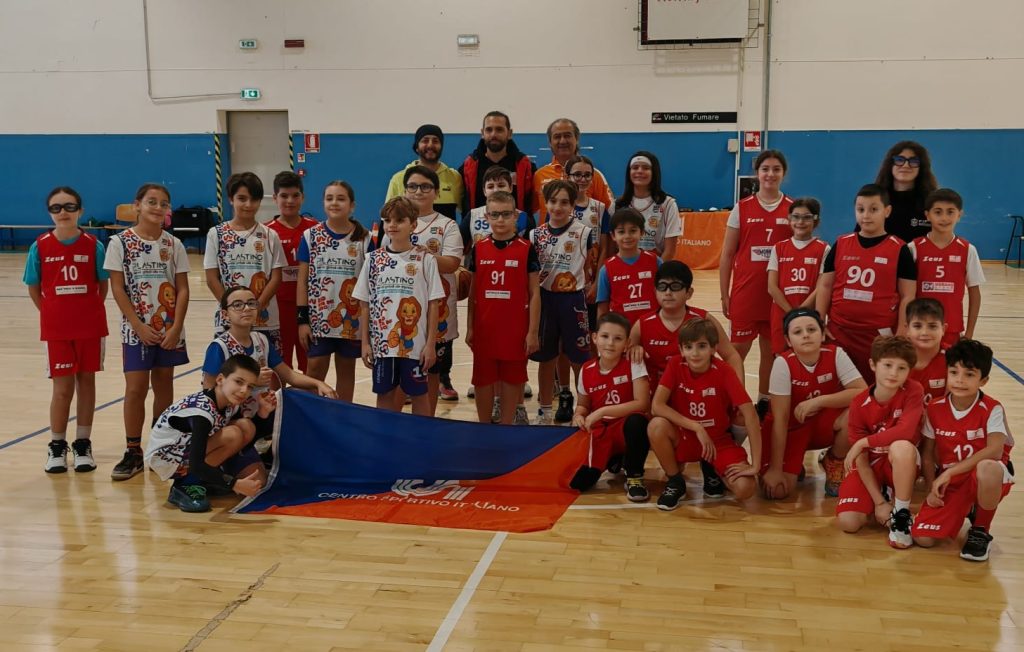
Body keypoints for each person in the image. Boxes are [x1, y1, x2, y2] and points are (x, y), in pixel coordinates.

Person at [630, 260, 744, 499]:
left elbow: (732, 355)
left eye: (675, 287)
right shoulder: (642, 325)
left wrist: (737, 393)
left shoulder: (702, 320)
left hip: (703, 397)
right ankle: (674, 475)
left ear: (689, 292)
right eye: (662, 287)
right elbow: (627, 357)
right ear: (655, 291)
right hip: (666, 404)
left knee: (742, 414)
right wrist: (633, 349)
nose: (668, 292)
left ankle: (712, 463)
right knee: (655, 429)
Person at [105, 183, 191, 481]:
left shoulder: (174, 245)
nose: (158, 207)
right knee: (135, 388)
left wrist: (176, 327)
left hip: (169, 329)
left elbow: (182, 289)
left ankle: (160, 445)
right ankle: (133, 451)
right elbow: (117, 288)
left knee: (164, 382)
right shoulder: (120, 243)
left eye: (163, 203)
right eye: (151, 202)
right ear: (137, 205)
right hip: (136, 330)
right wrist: (138, 325)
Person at [26, 187, 109, 474]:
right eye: (56, 207)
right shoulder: (39, 246)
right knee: (62, 389)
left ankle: (83, 444)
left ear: (80, 211)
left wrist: (88, 311)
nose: (63, 212)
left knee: (87, 384)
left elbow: (103, 285)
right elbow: (33, 287)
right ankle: (57, 445)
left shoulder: (93, 245)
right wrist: (52, 314)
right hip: (57, 330)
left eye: (70, 207)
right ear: (49, 212)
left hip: (90, 327)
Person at [912, 339, 1015, 562]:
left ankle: (980, 530)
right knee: (923, 538)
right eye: (954, 372)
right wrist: (931, 487)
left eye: (969, 374)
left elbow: (995, 451)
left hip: (986, 476)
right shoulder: (935, 408)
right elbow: (927, 454)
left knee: (987, 467)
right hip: (953, 482)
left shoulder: (992, 408)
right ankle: (967, 507)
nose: (959, 380)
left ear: (983, 380)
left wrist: (950, 471)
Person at [647, 319, 762, 510]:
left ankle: (712, 468)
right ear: (681, 350)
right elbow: (657, 406)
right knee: (656, 426)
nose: (695, 353)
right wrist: (696, 427)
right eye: (688, 347)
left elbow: (751, 415)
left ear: (713, 349)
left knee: (745, 488)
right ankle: (675, 481)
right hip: (685, 436)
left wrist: (755, 465)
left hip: (717, 440)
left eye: (701, 346)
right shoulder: (675, 364)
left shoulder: (724, 371)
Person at [815, 184, 916, 383]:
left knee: (875, 387)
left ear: (887, 211)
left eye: (873, 209)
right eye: (860, 209)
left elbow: (908, 295)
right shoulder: (841, 243)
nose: (866, 215)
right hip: (839, 332)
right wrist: (819, 320)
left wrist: (901, 331)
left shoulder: (900, 249)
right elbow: (825, 286)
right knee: (837, 386)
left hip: (878, 335)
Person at [761, 308, 866, 499]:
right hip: (790, 429)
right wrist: (776, 468)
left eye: (811, 329)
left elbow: (862, 392)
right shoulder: (782, 363)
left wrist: (819, 401)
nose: (806, 335)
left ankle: (835, 460)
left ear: (822, 334)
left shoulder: (835, 354)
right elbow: (780, 419)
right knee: (778, 491)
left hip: (821, 424)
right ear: (788, 340)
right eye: (798, 332)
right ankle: (792, 462)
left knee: (857, 411)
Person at [145, 354, 269, 513]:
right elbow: (196, 464)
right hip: (167, 458)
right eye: (238, 382)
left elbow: (247, 440)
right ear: (220, 379)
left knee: (246, 427)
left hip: (185, 450)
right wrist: (234, 484)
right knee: (233, 435)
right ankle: (184, 485)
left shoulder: (229, 403)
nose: (244, 390)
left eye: (250, 386)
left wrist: (262, 414)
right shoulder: (202, 414)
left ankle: (204, 479)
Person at [719, 150, 794, 414]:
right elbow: (727, 254)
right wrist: (724, 293)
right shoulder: (742, 208)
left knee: (771, 352)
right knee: (736, 351)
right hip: (746, 293)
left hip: (777, 295)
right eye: (765, 169)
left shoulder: (792, 209)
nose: (770, 174)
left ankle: (764, 402)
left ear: (783, 173)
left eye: (776, 169)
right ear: (757, 173)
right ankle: (733, 403)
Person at [355, 197, 445, 416]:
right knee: (384, 394)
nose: (392, 225)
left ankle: (420, 435)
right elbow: (364, 304)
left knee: (419, 395)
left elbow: (434, 304)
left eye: (399, 220)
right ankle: (385, 435)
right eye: (387, 220)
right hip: (382, 345)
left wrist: (430, 344)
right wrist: (365, 342)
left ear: (413, 224)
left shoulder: (425, 259)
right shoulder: (373, 260)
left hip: (415, 346)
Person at [836, 336, 923, 549]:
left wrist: (862, 442)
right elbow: (862, 460)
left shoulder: (914, 390)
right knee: (849, 523)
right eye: (887, 365)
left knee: (901, 446)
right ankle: (884, 497)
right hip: (870, 464)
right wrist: (879, 503)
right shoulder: (858, 403)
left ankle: (901, 513)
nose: (893, 373)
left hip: (900, 461)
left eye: (901, 368)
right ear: (873, 364)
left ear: (909, 371)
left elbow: (905, 431)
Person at [390, 165, 464, 408]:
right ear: (405, 190)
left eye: (425, 186)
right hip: (402, 310)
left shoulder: (447, 225)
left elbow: (452, 263)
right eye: (412, 186)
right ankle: (396, 421)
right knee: (401, 369)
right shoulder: (394, 224)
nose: (418, 191)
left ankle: (427, 422)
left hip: (438, 310)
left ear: (436, 192)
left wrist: (421, 255)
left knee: (432, 370)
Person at [465, 190, 540, 424]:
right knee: (483, 379)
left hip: (515, 329)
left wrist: (533, 332)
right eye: (495, 214)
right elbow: (473, 293)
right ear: (486, 216)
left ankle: (506, 426)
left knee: (512, 379)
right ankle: (484, 427)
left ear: (516, 215)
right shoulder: (479, 248)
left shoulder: (526, 248)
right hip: (485, 328)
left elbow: (535, 293)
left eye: (506, 214)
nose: (500, 219)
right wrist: (470, 327)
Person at [296, 180, 371, 403]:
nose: (334, 203)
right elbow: (302, 282)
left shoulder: (364, 239)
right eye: (329, 198)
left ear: (352, 205)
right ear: (323, 203)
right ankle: (312, 416)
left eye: (341, 198)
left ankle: (342, 416)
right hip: (319, 320)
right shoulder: (310, 236)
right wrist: (302, 320)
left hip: (351, 320)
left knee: (346, 371)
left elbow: (370, 284)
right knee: (314, 370)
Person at [530, 180, 596, 425]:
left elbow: (588, 265)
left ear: (573, 205)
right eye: (553, 201)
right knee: (546, 358)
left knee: (579, 358)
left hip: (573, 300)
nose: (558, 207)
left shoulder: (584, 232)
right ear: (545, 203)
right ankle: (545, 411)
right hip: (545, 301)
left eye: (564, 202)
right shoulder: (535, 235)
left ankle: (583, 409)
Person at [202, 286, 336, 404]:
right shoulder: (219, 347)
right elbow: (208, 392)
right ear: (225, 315)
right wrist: (251, 381)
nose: (246, 308)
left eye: (251, 303)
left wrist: (318, 383)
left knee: (300, 394)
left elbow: (289, 375)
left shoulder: (261, 340)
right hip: (232, 414)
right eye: (238, 305)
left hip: (262, 410)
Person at [570, 312, 651, 501]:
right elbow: (583, 406)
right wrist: (578, 416)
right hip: (601, 433)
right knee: (578, 483)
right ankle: (614, 459)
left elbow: (642, 403)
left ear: (627, 343)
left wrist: (602, 411)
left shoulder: (633, 363)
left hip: (625, 427)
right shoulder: (586, 369)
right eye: (605, 336)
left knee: (638, 422)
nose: (610, 343)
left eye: (618, 338)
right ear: (594, 338)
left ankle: (635, 476)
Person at [204, 172, 287, 355]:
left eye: (254, 199)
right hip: (228, 320)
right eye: (242, 198)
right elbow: (212, 278)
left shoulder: (270, 235)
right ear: (230, 199)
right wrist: (232, 309)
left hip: (265, 319)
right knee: (231, 369)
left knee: (267, 368)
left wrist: (256, 307)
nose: (248, 205)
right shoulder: (216, 234)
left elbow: (276, 278)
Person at [908, 188, 984, 348]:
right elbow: (904, 294)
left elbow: (975, 294)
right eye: (938, 212)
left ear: (959, 214)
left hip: (952, 330)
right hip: (919, 329)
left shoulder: (968, 249)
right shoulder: (913, 248)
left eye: (950, 212)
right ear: (927, 215)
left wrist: (969, 334)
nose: (944, 218)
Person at [266, 171, 318, 373]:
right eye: (284, 196)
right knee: (280, 363)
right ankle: (281, 394)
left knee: (310, 362)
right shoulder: (267, 232)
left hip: (309, 307)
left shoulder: (315, 229)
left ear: (302, 197)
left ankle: (310, 394)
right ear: (275, 198)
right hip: (279, 307)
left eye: (295, 195)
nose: (290, 201)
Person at [766, 198, 830, 355]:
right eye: (796, 216)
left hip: (810, 314)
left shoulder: (824, 249)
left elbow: (821, 287)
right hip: (782, 314)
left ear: (816, 220)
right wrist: (791, 313)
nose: (800, 222)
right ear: (789, 219)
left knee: (809, 356)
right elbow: (772, 287)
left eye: (807, 217)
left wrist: (801, 312)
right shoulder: (779, 248)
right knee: (782, 358)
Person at [533, 118, 614, 224]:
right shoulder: (539, 175)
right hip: (549, 234)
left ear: (577, 139)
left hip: (586, 234)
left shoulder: (594, 175)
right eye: (557, 137)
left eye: (567, 135)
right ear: (550, 142)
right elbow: (530, 210)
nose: (562, 141)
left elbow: (610, 212)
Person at [460, 111, 535, 216]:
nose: (493, 134)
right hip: (478, 226)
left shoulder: (525, 166)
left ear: (509, 133)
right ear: (482, 133)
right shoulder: (468, 167)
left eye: (499, 129)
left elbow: (532, 205)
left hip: (517, 226)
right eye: (489, 130)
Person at [385, 124, 463, 220]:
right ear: (417, 147)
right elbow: (388, 217)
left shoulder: (455, 177)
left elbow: (466, 211)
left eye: (435, 141)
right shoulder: (398, 178)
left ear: (441, 146)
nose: (430, 145)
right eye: (425, 141)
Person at [596, 208, 659, 325]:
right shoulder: (606, 268)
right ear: (613, 235)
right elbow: (602, 305)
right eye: (621, 232)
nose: (627, 236)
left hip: (652, 326)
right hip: (621, 329)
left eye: (633, 231)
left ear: (642, 232)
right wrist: (602, 330)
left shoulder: (656, 261)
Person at [613, 151, 680, 260]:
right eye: (635, 167)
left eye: (645, 168)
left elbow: (670, 251)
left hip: (655, 267)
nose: (639, 171)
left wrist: (658, 270)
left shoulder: (668, 204)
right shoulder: (617, 205)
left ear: (654, 172)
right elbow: (612, 247)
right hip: (624, 267)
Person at [873, 140, 938, 243]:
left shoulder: (932, 203)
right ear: (890, 164)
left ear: (921, 167)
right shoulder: (875, 199)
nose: (906, 165)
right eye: (899, 160)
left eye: (913, 161)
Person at [460, 166, 534, 252]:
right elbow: (458, 248)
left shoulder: (523, 217)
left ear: (510, 188)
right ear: (484, 191)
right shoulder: (473, 215)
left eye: (501, 185)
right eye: (490, 186)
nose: (496, 190)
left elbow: (530, 250)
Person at [906, 298, 949, 405]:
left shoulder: (954, 358)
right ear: (907, 329)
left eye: (932, 326)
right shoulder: (894, 357)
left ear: (943, 329)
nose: (924, 332)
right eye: (917, 326)